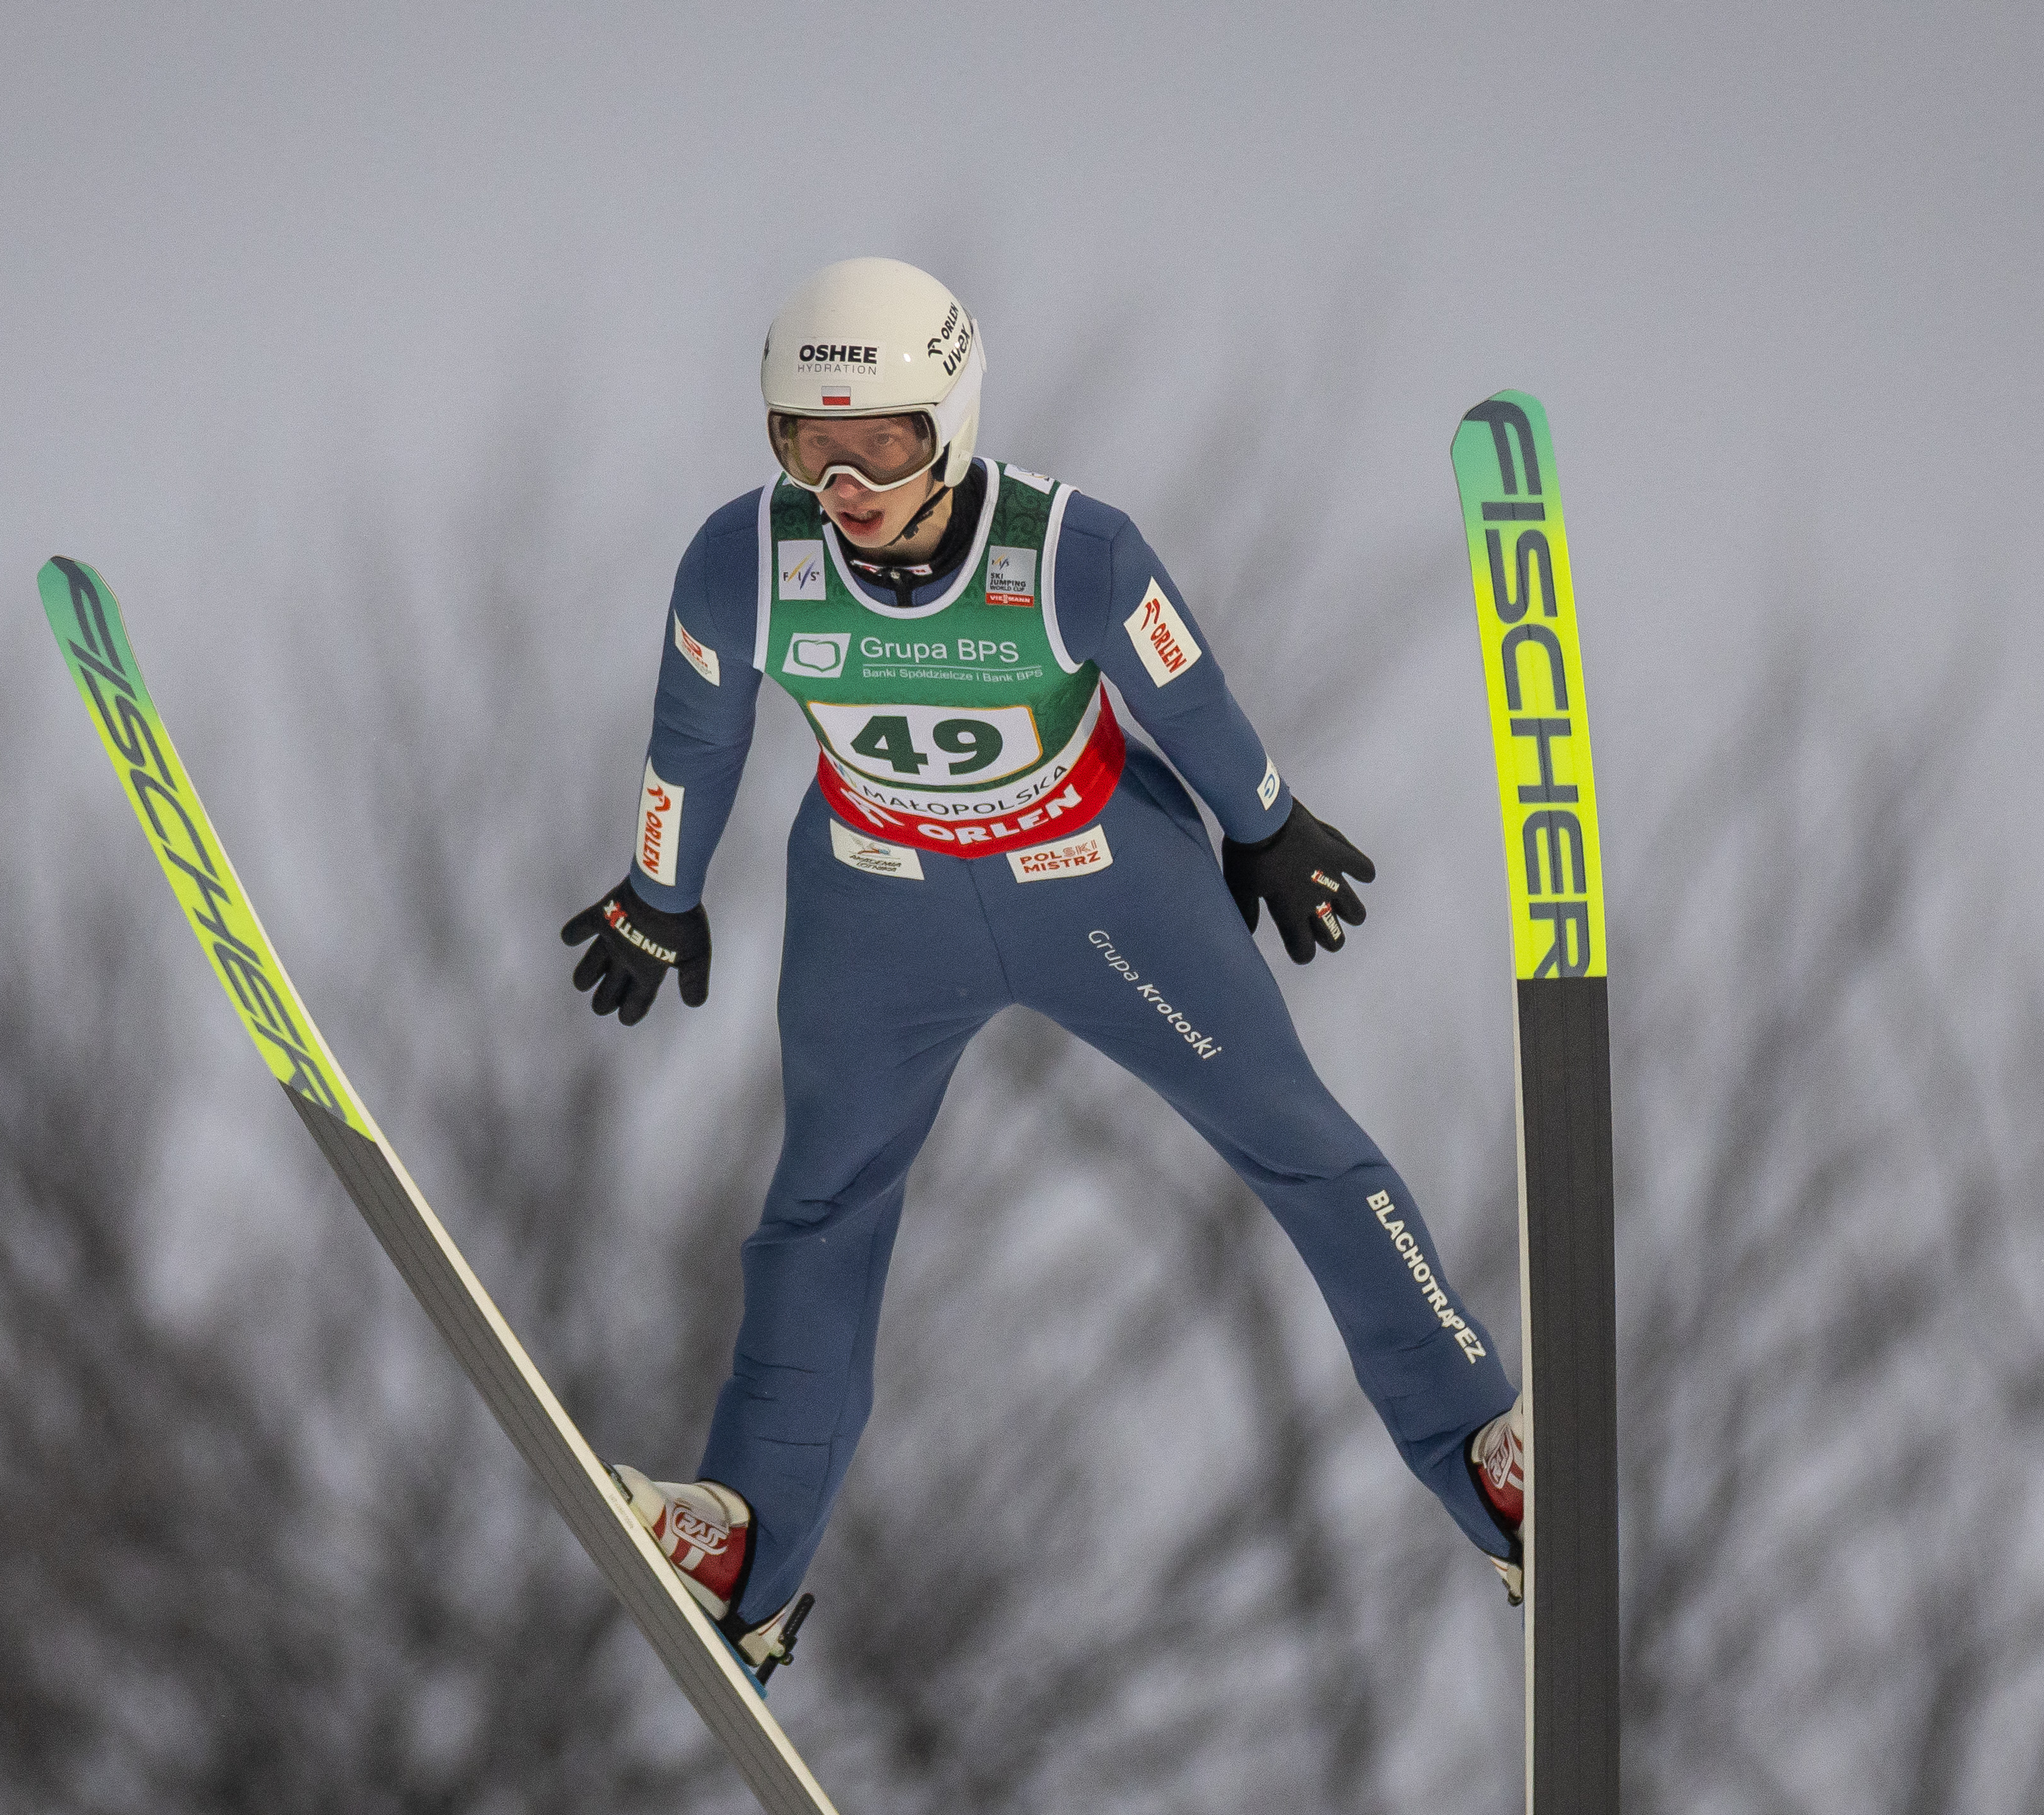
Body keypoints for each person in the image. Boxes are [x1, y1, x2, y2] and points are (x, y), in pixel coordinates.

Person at [561, 258, 1525, 1691]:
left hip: (1102, 887)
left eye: (876, 441)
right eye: (802, 444)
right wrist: (658, 891)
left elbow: (1183, 688)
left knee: (1300, 1144)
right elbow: (693, 735)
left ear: (947, 422)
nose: (843, 481)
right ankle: (741, 1548)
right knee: (820, 1203)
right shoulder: (741, 561)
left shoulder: (1071, 548)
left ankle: (1489, 1456)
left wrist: (1266, 826)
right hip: (882, 908)